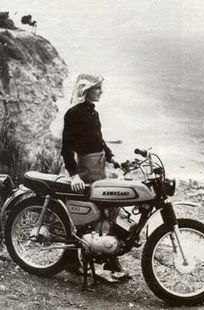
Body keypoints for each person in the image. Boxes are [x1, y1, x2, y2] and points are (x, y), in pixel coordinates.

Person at [61, 73, 125, 275]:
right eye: (98, 88)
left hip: (99, 167)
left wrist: (111, 157)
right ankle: (72, 260)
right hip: (86, 169)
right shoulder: (74, 113)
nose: (101, 91)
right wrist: (74, 175)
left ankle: (108, 259)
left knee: (108, 211)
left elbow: (99, 139)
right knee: (85, 214)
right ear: (85, 89)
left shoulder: (92, 112)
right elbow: (66, 148)